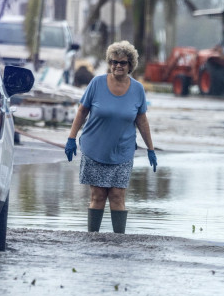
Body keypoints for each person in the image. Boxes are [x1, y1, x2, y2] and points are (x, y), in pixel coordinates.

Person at [64, 41, 157, 234]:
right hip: (95, 148)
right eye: (114, 62)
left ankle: (119, 241)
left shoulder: (138, 89)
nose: (118, 66)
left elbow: (142, 121)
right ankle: (93, 238)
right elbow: (82, 112)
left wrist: (150, 148)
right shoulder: (97, 83)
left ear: (130, 65)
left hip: (122, 151)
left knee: (117, 195)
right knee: (97, 195)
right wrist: (71, 138)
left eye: (122, 62)